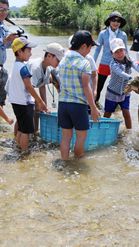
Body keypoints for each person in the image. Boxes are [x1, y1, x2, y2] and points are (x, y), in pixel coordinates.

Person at [58, 30, 101, 160]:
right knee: (81, 137)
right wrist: (93, 108)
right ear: (83, 46)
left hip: (63, 104)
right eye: (90, 47)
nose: (89, 51)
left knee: (66, 136)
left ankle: (65, 161)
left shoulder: (63, 61)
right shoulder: (84, 63)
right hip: (78, 105)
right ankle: (78, 160)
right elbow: (86, 86)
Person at [6, 37, 49, 151]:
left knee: (21, 127)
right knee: (26, 131)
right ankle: (24, 152)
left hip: (15, 102)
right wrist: (40, 101)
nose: (30, 54)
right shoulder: (24, 68)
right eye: (28, 51)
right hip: (24, 103)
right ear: (19, 51)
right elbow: (29, 86)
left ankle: (18, 147)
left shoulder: (15, 66)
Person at [23, 43, 64, 134]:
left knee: (38, 109)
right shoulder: (36, 67)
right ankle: (18, 137)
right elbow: (30, 88)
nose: (59, 62)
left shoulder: (48, 69)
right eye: (58, 59)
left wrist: (44, 106)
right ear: (49, 56)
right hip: (20, 88)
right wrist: (39, 103)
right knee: (24, 115)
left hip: (28, 89)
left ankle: (34, 131)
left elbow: (42, 86)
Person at [104, 38, 139, 129]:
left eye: (121, 50)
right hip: (113, 92)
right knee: (107, 113)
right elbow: (121, 73)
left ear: (125, 50)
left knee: (126, 113)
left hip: (126, 92)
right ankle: (103, 128)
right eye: (116, 51)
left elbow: (136, 66)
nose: (120, 53)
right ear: (111, 53)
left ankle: (129, 131)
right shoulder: (113, 64)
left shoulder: (129, 59)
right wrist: (132, 79)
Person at [93, 11, 128, 105]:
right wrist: (92, 64)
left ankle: (117, 107)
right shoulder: (103, 34)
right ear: (109, 21)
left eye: (118, 21)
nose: (116, 23)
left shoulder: (123, 35)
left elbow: (126, 51)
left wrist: (128, 65)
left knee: (118, 87)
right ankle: (94, 105)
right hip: (104, 63)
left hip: (119, 64)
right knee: (98, 86)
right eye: (113, 20)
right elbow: (97, 50)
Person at [68, 34, 98, 113]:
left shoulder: (89, 59)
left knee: (91, 116)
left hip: (89, 94)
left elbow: (94, 75)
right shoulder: (70, 61)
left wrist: (95, 90)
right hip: (78, 98)